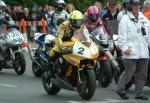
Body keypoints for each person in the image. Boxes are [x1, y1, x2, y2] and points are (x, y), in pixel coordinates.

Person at [116, 0, 150, 100]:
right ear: (130, 6)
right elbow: (121, 37)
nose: (137, 7)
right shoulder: (125, 19)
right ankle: (120, 89)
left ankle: (139, 93)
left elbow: (148, 36)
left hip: (143, 51)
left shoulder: (144, 19)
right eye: (135, 5)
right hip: (130, 51)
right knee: (129, 72)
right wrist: (124, 48)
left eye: (138, 5)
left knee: (142, 74)